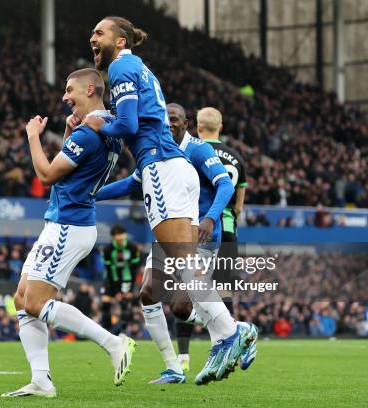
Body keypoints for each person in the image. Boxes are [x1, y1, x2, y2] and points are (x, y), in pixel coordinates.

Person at [84, 16, 249, 385]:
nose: (92, 37)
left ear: (121, 40)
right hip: (167, 169)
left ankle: (229, 333)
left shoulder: (122, 66)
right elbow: (132, 128)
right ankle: (188, 358)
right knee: (158, 284)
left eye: (99, 32)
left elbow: (126, 126)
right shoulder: (135, 68)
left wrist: (97, 125)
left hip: (162, 168)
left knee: (184, 264)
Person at [96, 104, 257, 385]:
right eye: (165, 118)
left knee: (182, 304)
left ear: (187, 123)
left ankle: (234, 330)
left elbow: (226, 186)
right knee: (150, 294)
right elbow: (130, 184)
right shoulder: (155, 151)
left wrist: (210, 218)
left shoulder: (197, 149)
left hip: (200, 235)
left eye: (175, 119)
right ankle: (174, 367)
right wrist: (92, 194)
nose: (169, 123)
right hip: (168, 234)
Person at [2, 68, 133, 399]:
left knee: (35, 302)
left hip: (68, 225)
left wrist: (33, 136)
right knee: (22, 300)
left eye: (69, 90)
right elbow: (74, 169)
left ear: (90, 89)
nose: (64, 96)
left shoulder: (89, 134)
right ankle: (41, 379)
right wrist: (65, 131)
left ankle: (113, 342)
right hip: (66, 222)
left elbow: (47, 174)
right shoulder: (105, 129)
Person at [176, 107, 250, 373]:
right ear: (221, 126)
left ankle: (185, 356)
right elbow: (238, 205)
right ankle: (227, 348)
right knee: (222, 292)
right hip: (227, 227)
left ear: (196, 126)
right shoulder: (237, 157)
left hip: (200, 227)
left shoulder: (192, 150)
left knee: (187, 290)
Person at [100, 224, 140, 333]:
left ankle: (123, 333)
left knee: (125, 305)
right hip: (111, 278)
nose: (120, 237)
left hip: (127, 278)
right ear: (113, 237)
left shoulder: (132, 247)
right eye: (117, 235)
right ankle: (105, 332)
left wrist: (130, 289)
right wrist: (117, 291)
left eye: (122, 234)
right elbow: (109, 269)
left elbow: (134, 269)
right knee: (105, 304)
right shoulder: (108, 249)